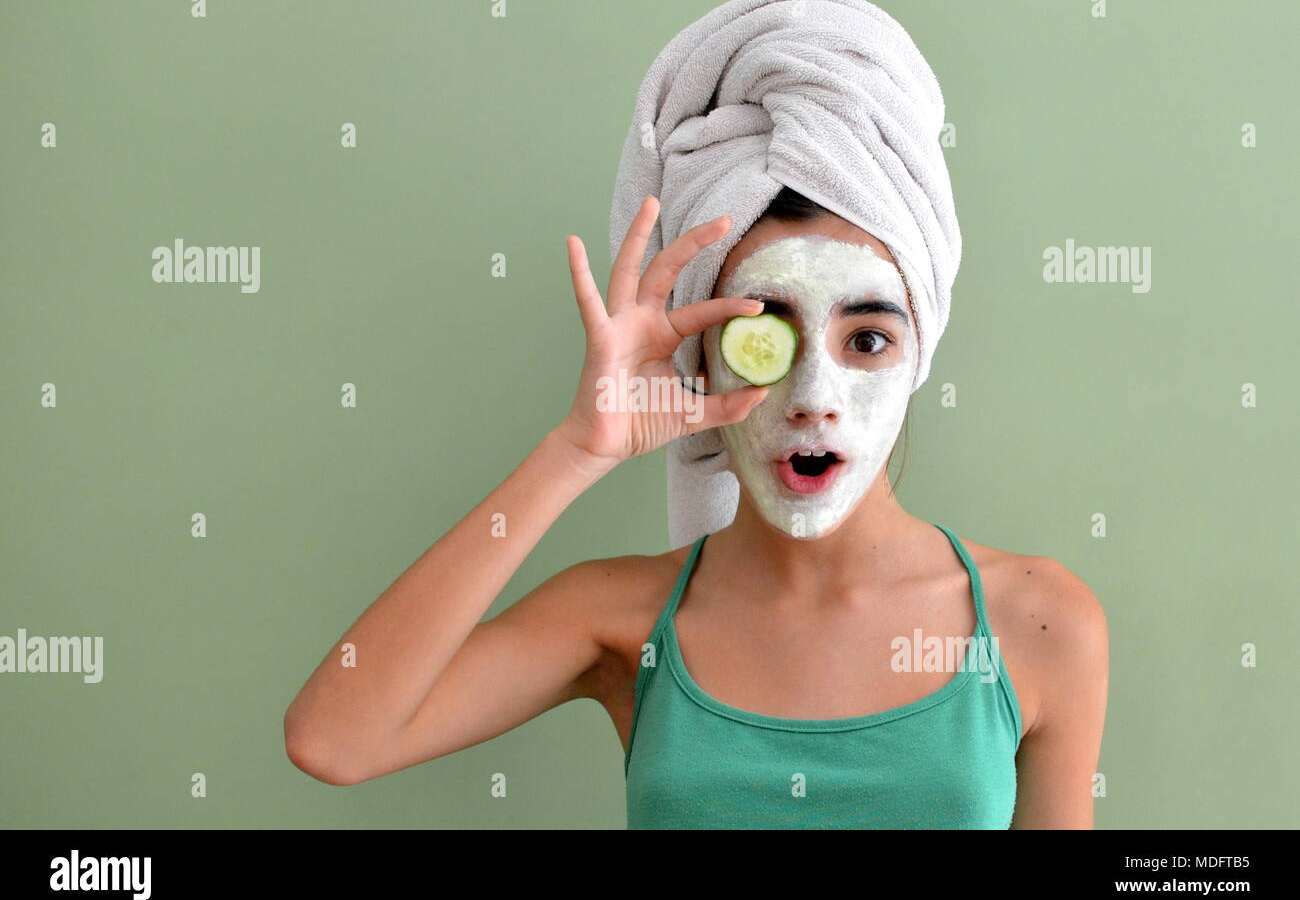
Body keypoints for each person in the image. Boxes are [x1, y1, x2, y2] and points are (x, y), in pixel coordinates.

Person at [283, 189, 1109, 829]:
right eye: (767, 338)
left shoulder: (1037, 620)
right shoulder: (621, 618)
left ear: (917, 357)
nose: (814, 400)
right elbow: (334, 739)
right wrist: (576, 452)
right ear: (702, 361)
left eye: (866, 339)